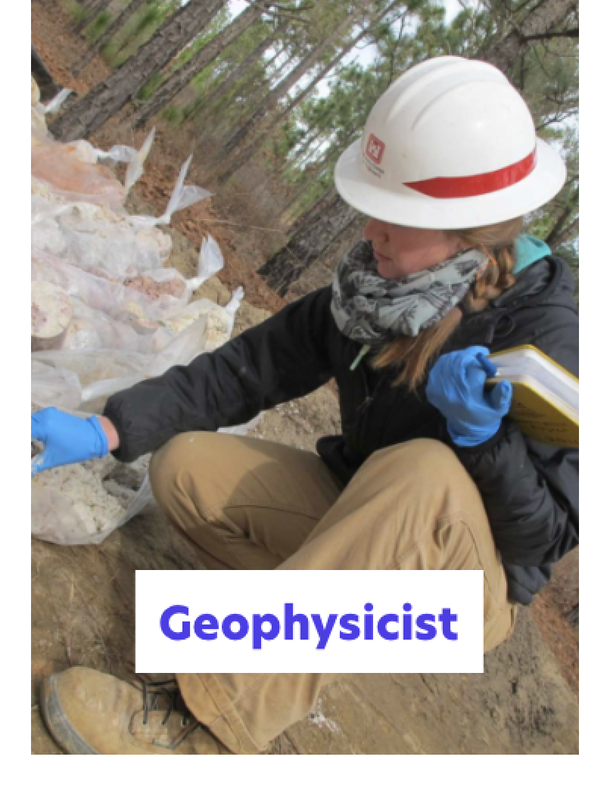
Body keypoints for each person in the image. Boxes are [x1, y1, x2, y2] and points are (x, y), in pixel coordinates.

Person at [32, 56, 578, 755]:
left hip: (455, 593)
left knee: (425, 472)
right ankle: (297, 629)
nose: (371, 232)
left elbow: (545, 539)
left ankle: (208, 726)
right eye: (374, 211)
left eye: (397, 219)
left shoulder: (545, 333)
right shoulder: (374, 291)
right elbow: (246, 370)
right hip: (361, 534)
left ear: (467, 231)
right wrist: (109, 426)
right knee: (186, 468)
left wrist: (482, 439)